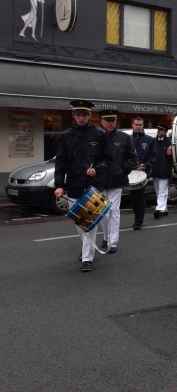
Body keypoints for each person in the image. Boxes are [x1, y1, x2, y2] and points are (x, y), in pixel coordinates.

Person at [54, 100, 107, 272]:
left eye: (84, 114)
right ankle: (87, 248)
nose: (81, 118)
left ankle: (87, 258)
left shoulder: (100, 134)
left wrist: (97, 169)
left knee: (89, 222)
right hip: (73, 184)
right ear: (74, 115)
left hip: (93, 185)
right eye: (78, 114)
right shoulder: (66, 136)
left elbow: (108, 160)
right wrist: (59, 185)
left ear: (90, 115)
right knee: (79, 221)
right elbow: (60, 162)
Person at [99, 109, 138, 254]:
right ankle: (106, 236)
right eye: (107, 121)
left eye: (113, 121)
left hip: (117, 180)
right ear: (102, 122)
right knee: (102, 212)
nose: (111, 123)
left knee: (113, 211)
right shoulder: (97, 137)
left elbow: (132, 158)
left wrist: (122, 170)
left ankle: (113, 242)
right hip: (100, 180)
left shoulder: (124, 137)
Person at [129, 116, 157, 230]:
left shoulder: (150, 140)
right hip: (130, 173)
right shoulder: (128, 139)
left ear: (143, 125)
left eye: (140, 125)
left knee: (139, 197)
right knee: (132, 197)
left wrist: (145, 165)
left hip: (142, 173)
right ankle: (136, 217)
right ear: (132, 125)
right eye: (136, 124)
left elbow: (153, 156)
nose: (138, 126)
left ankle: (139, 221)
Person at [152, 123, 173, 219]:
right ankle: (164, 209)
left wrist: (171, 153)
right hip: (155, 170)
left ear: (165, 132)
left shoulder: (169, 142)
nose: (159, 131)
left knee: (162, 190)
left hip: (165, 169)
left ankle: (158, 209)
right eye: (158, 129)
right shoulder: (153, 141)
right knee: (158, 191)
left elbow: (174, 157)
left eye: (161, 130)